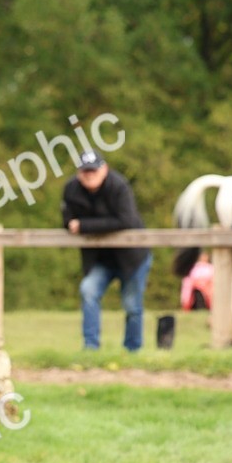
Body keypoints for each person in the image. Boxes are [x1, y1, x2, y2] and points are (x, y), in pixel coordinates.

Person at [61, 150, 152, 351]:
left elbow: (125, 220)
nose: (89, 175)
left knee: (132, 306)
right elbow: (67, 221)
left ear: (104, 169)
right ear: (78, 173)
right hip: (100, 259)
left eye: (93, 170)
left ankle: (133, 351)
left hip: (131, 258)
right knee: (88, 290)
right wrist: (76, 224)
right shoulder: (71, 190)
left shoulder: (118, 186)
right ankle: (91, 348)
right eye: (85, 171)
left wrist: (85, 226)